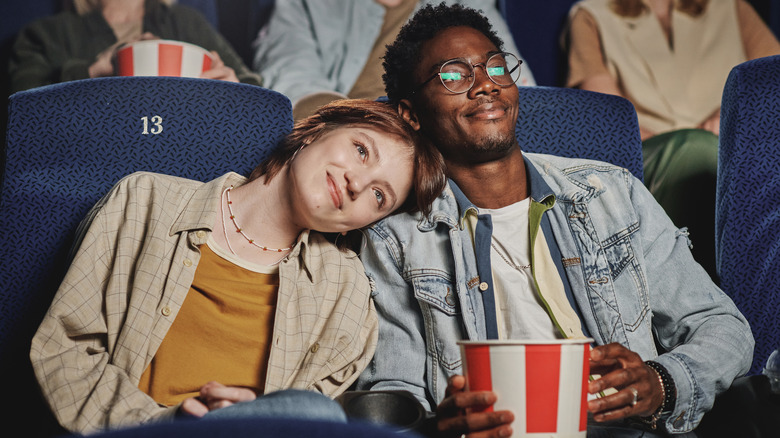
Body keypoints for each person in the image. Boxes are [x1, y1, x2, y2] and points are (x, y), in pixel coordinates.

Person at [353, 3, 753, 437]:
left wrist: (662, 382)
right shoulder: (396, 238)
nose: (485, 84)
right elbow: (396, 392)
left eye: (496, 66)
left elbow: (723, 327)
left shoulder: (612, 193)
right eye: (453, 75)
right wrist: (439, 427)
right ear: (411, 113)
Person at [30, 99, 446, 434]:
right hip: (131, 431)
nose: (357, 183)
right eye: (361, 150)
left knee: (313, 414)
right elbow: (64, 350)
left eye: (379, 196)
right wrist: (166, 423)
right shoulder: (145, 201)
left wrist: (259, 417)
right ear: (316, 131)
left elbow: (309, 423)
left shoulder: (347, 294)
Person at [564, 0, 780, 281]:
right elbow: (607, 116)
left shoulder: (730, 6)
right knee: (695, 150)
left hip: (732, 146)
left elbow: (770, 80)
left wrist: (730, 115)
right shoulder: (591, 15)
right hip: (646, 151)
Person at [252, 0, 535, 120]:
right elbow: (292, 79)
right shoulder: (306, 4)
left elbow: (514, 80)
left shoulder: (467, 3)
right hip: (346, 130)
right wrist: (359, 128)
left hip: (445, 138)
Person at [8, 0, 262, 93]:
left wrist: (234, 92)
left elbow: (256, 92)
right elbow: (20, 112)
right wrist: (93, 71)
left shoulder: (185, 22)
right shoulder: (45, 33)